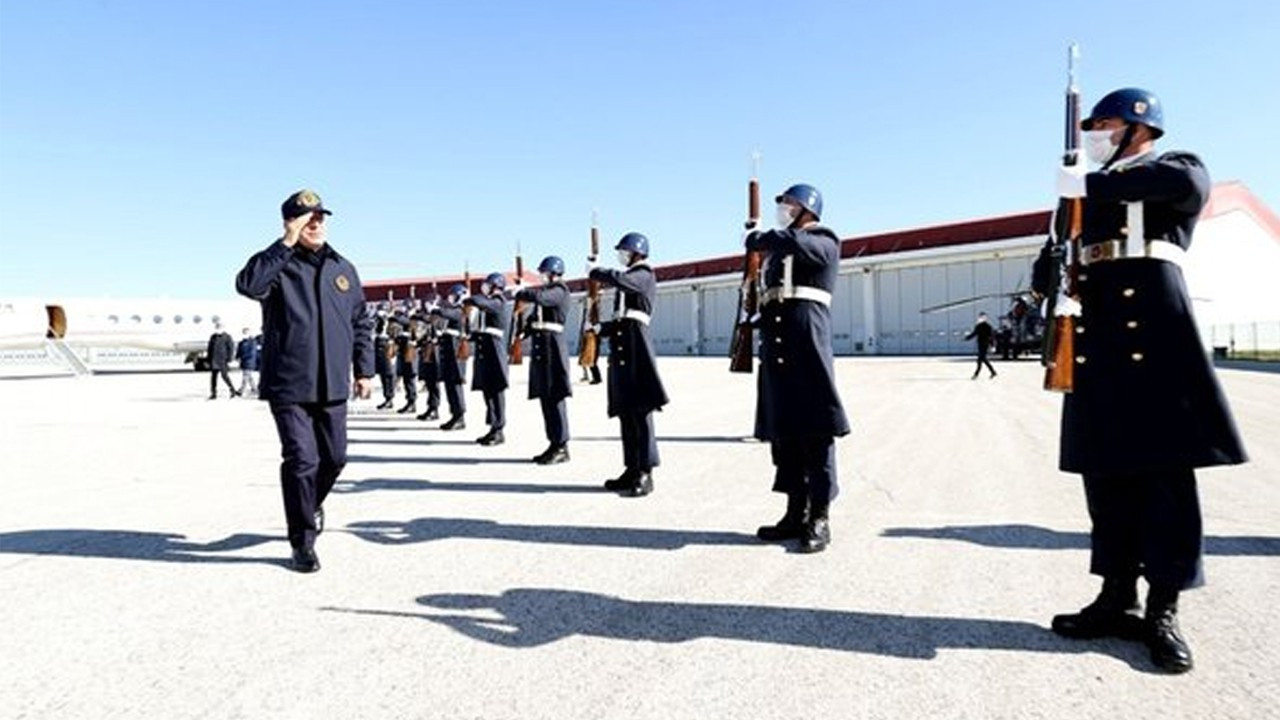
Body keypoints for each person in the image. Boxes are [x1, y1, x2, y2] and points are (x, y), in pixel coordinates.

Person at [1033, 88, 1248, 673]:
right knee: (1106, 475)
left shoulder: (1174, 167)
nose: (1093, 133)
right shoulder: (1079, 192)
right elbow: (1057, 250)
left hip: (1153, 332)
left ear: (1137, 126)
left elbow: (1186, 190)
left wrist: (1088, 185)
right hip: (1096, 336)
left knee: (1163, 478)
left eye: (1102, 123)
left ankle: (1163, 609)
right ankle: (1114, 596)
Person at [235, 189, 374, 573]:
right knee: (301, 459)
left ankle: (308, 501)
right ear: (291, 223)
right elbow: (248, 285)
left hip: (332, 383)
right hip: (289, 383)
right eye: (306, 218)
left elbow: (361, 322)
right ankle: (302, 541)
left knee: (335, 458)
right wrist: (286, 242)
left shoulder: (343, 268)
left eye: (320, 218)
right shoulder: (278, 264)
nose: (316, 224)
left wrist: (364, 370)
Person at [746, 183, 851, 553]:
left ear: (806, 209)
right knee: (785, 435)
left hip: (808, 346)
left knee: (816, 434)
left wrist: (761, 237)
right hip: (778, 349)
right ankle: (794, 511)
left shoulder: (822, 238)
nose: (783, 208)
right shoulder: (780, 249)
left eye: (788, 203)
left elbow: (795, 244)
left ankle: (819, 516)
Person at [589, 232, 669, 497]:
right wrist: (602, 328)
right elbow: (623, 319)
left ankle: (646, 471)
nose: (621, 254)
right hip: (624, 347)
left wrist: (597, 271)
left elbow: (622, 282)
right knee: (626, 412)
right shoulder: (629, 279)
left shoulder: (643, 273)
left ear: (636, 252)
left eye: (624, 250)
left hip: (638, 348)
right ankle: (631, 468)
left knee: (641, 412)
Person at [511, 256, 573, 464]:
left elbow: (540, 299)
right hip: (542, 350)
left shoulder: (559, 291)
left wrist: (522, 291)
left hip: (553, 349)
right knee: (546, 399)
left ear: (554, 273)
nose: (542, 276)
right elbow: (533, 319)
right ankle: (553, 443)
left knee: (555, 398)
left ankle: (562, 445)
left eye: (544, 273)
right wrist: (522, 333)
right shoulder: (546, 292)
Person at [463, 272, 512, 446]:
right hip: (485, 347)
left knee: (496, 390)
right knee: (487, 390)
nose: (484, 287)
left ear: (495, 286)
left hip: (494, 349)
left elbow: (478, 301)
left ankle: (499, 429)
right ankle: (492, 428)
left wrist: (468, 299)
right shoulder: (489, 303)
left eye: (487, 284)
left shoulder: (498, 301)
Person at [429, 284, 469, 429]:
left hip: (456, 351)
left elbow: (449, 315)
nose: (450, 298)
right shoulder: (452, 310)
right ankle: (454, 414)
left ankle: (460, 416)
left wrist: (436, 308)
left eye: (453, 295)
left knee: (455, 385)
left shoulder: (461, 309)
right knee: (449, 385)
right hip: (448, 351)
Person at [415, 308, 442, 421]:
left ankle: (434, 409)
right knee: (429, 383)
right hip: (426, 354)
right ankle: (430, 407)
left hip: (434, 356)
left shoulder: (439, 324)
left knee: (433, 384)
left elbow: (438, 338)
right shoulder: (428, 327)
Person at [392, 306, 419, 414]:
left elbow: (405, 321)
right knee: (406, 379)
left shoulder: (414, 320)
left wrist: (398, 317)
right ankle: (409, 402)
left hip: (410, 353)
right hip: (403, 352)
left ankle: (412, 402)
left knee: (410, 379)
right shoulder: (404, 324)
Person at [206, 323, 239, 399]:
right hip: (214, 359)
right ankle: (213, 393)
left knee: (225, 376)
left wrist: (229, 358)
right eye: (217, 327)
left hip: (222, 360)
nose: (218, 329)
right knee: (213, 378)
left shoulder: (227, 337)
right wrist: (208, 359)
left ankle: (232, 390)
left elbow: (231, 348)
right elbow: (209, 348)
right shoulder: (213, 336)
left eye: (219, 328)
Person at [373, 312, 396, 410]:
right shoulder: (378, 328)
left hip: (387, 348)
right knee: (383, 375)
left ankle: (389, 398)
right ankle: (387, 398)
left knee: (387, 375)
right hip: (380, 349)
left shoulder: (390, 326)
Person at [964, 312, 997, 379]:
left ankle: (976, 374)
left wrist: (993, 345)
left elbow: (991, 337)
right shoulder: (978, 326)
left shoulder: (988, 327)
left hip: (985, 344)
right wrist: (967, 338)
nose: (980, 318)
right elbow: (974, 334)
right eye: (980, 317)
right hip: (980, 344)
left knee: (981, 359)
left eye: (982, 317)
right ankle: (993, 372)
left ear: (985, 318)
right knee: (983, 359)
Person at [235, 327, 260, 397]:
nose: (244, 334)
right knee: (249, 377)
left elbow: (252, 353)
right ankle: (255, 390)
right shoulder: (241, 342)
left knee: (245, 376)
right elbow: (239, 351)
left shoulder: (253, 342)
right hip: (243, 362)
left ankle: (241, 391)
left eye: (246, 333)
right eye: (243, 333)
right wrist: (237, 357)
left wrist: (243, 357)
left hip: (249, 361)